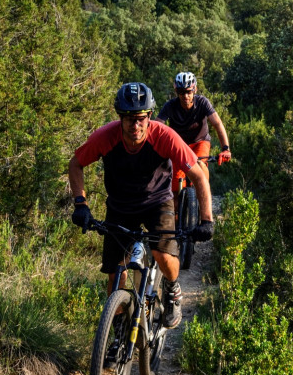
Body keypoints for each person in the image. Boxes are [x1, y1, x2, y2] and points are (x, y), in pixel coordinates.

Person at [68, 82, 214, 330]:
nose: (134, 125)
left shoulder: (164, 136)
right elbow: (76, 164)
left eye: (140, 119)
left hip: (157, 201)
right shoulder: (106, 137)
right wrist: (80, 203)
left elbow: (198, 176)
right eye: (128, 119)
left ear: (149, 117)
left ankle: (171, 287)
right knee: (116, 274)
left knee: (162, 254)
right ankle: (116, 328)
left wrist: (207, 220)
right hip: (120, 205)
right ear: (120, 118)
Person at [156, 71, 231, 192]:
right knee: (175, 183)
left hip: (200, 142)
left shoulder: (202, 103)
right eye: (181, 92)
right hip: (179, 145)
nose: (185, 96)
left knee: (200, 165)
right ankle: (176, 210)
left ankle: (203, 201)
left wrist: (225, 148)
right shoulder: (170, 106)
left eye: (188, 91)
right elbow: (157, 127)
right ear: (176, 92)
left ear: (195, 90)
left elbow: (217, 123)